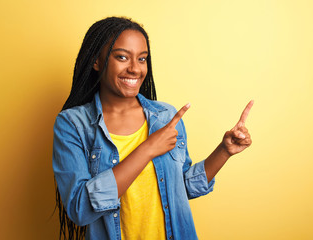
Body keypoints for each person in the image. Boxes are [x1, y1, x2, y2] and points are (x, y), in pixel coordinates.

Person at [53, 16, 253, 240]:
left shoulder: (165, 117)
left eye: (142, 59)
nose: (134, 69)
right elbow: (79, 209)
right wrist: (147, 149)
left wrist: (224, 151)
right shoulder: (72, 125)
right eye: (122, 57)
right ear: (96, 61)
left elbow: (182, 188)